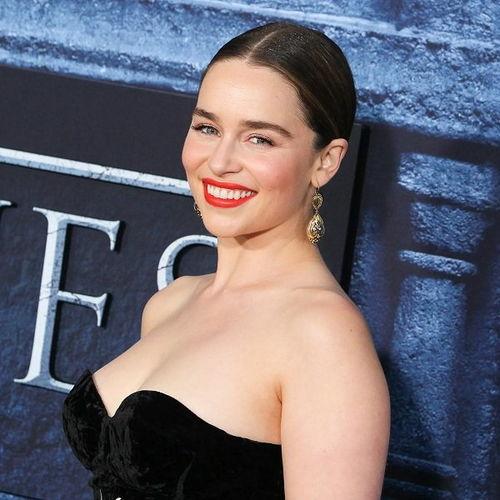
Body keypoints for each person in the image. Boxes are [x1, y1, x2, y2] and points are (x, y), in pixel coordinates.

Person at [62, 20, 390, 499]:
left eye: (260, 138)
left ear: (326, 161)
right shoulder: (172, 303)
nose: (219, 162)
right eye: (208, 128)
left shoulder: (323, 336)